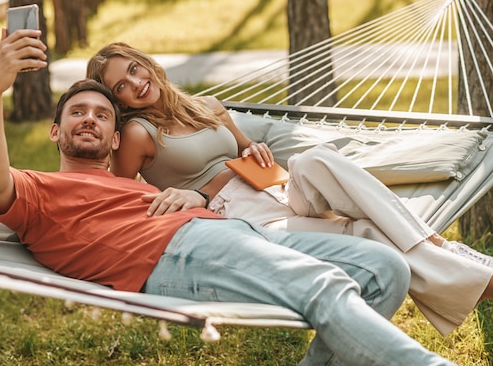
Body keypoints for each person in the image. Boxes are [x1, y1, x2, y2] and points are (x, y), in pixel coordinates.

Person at [0, 29, 456, 366]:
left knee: (386, 269)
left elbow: (177, 183)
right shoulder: (38, 190)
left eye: (102, 114)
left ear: (115, 138)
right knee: (323, 285)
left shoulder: (127, 182)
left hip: (228, 228)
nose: (90, 120)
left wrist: (190, 200)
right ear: (56, 131)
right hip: (174, 255)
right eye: (77, 112)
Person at [86, 41, 493, 336]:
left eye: (134, 70)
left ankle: (434, 243)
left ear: (147, 64)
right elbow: (123, 199)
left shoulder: (206, 105)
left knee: (315, 158)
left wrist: (255, 147)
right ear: (119, 101)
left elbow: (245, 149)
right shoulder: (139, 132)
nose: (134, 84)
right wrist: (194, 198)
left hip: (276, 189)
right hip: (240, 220)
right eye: (120, 86)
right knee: (368, 235)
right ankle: (473, 275)